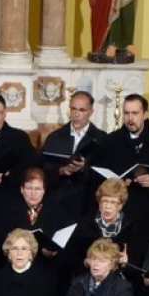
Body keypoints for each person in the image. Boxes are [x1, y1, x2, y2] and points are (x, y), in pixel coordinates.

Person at [91, 94, 149, 250]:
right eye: (126, 113)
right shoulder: (111, 142)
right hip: (121, 219)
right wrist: (116, 184)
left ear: (145, 114)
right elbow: (96, 176)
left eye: (135, 113)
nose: (130, 118)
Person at [0, 168, 72, 273]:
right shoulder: (6, 210)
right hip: (12, 267)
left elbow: (63, 245)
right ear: (22, 189)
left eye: (37, 189)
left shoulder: (57, 212)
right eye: (29, 188)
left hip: (44, 268)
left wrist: (53, 253)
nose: (33, 193)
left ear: (44, 190)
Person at [41, 90, 106, 219]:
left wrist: (85, 167)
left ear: (91, 112)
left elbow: (107, 173)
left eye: (82, 110)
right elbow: (43, 169)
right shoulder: (55, 137)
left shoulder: (102, 139)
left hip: (88, 203)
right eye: (73, 109)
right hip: (58, 202)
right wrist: (61, 170)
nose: (76, 114)